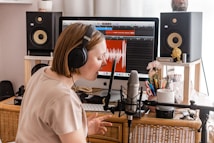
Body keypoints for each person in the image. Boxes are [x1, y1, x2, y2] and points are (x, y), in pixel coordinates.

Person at [15, 23, 112, 143]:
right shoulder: (64, 98)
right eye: (100, 58)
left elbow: (45, 132)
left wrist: (79, 130)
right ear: (78, 57)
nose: (105, 63)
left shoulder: (40, 73)